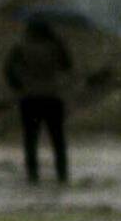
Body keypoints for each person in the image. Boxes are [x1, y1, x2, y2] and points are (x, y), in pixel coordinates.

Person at [4, 17, 73, 184]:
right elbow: (67, 65)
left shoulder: (20, 47)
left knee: (30, 140)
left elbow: (8, 69)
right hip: (52, 97)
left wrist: (19, 86)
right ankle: (62, 175)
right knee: (58, 140)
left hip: (30, 99)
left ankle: (32, 175)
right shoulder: (55, 47)